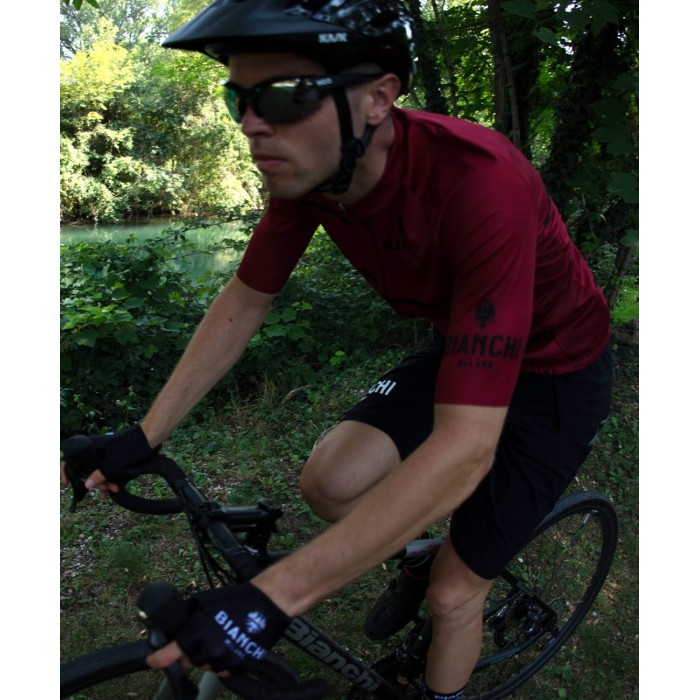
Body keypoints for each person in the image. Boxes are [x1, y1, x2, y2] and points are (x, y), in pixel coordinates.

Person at [60, 1, 613, 697]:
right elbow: (246, 300)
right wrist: (145, 435)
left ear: (379, 98)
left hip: (558, 371)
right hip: (467, 346)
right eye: (239, 99)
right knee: (329, 483)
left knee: (453, 596)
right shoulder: (314, 177)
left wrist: (272, 598)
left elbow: (466, 446)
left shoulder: (480, 182)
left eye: (283, 97)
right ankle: (418, 552)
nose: (250, 124)